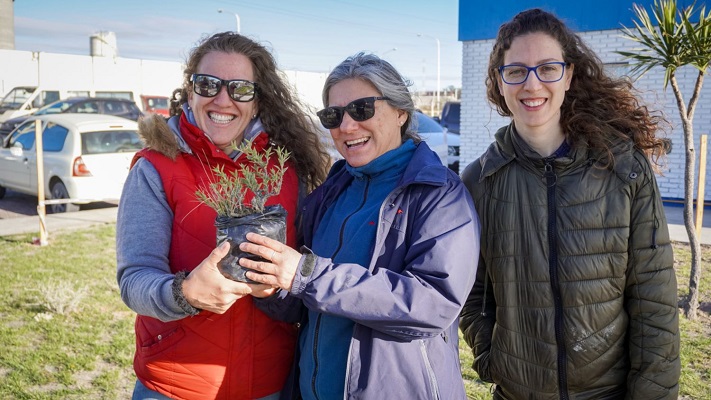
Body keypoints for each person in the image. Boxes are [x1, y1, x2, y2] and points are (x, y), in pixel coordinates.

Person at [459, 8, 681, 399]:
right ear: (500, 79)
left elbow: (654, 301)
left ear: (569, 76)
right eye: (516, 71)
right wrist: (492, 358)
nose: (532, 84)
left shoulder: (623, 168)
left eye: (547, 68)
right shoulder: (479, 181)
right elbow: (470, 292)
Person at [234, 52, 480, 399]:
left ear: (400, 112)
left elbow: (431, 303)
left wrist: (306, 274)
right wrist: (273, 289)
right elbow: (304, 295)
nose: (347, 126)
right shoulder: (331, 191)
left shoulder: (438, 194)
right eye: (333, 115)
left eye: (362, 109)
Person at [116, 32, 330, 400]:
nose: (222, 99)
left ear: (258, 100)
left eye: (240, 89)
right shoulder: (155, 168)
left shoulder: (287, 169)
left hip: (269, 383)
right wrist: (184, 294)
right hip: (176, 384)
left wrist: (274, 291)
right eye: (208, 84)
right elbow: (134, 279)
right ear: (190, 90)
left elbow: (304, 275)